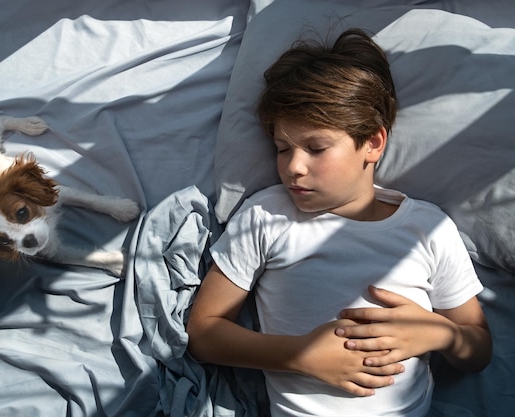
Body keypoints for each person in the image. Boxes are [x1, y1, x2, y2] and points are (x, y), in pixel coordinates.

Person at [186, 28, 491, 417]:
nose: (293, 167)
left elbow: (479, 350)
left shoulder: (428, 230)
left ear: (373, 143)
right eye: (282, 149)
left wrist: (441, 332)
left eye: (316, 148)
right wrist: (300, 356)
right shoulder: (267, 217)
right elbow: (203, 332)